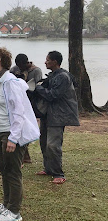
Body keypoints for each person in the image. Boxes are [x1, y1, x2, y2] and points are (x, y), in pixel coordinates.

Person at [0, 47, 40, 221]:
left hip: (11, 132)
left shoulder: (10, 82)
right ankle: (7, 204)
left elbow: (18, 112)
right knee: (3, 168)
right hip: (1, 131)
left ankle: (15, 212)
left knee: (13, 171)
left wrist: (13, 138)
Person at [35, 50, 79, 184]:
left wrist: (37, 88)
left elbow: (53, 95)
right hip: (47, 114)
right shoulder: (52, 75)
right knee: (43, 142)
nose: (45, 62)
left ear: (55, 62)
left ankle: (58, 173)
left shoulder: (63, 77)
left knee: (53, 144)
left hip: (59, 115)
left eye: (47, 60)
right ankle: (48, 169)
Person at [9, 53, 43, 164]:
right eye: (18, 65)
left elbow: (38, 87)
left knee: (26, 127)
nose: (20, 68)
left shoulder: (36, 71)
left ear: (27, 63)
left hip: (31, 102)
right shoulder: (14, 69)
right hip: (18, 101)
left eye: (22, 65)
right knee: (18, 127)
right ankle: (25, 155)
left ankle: (24, 155)